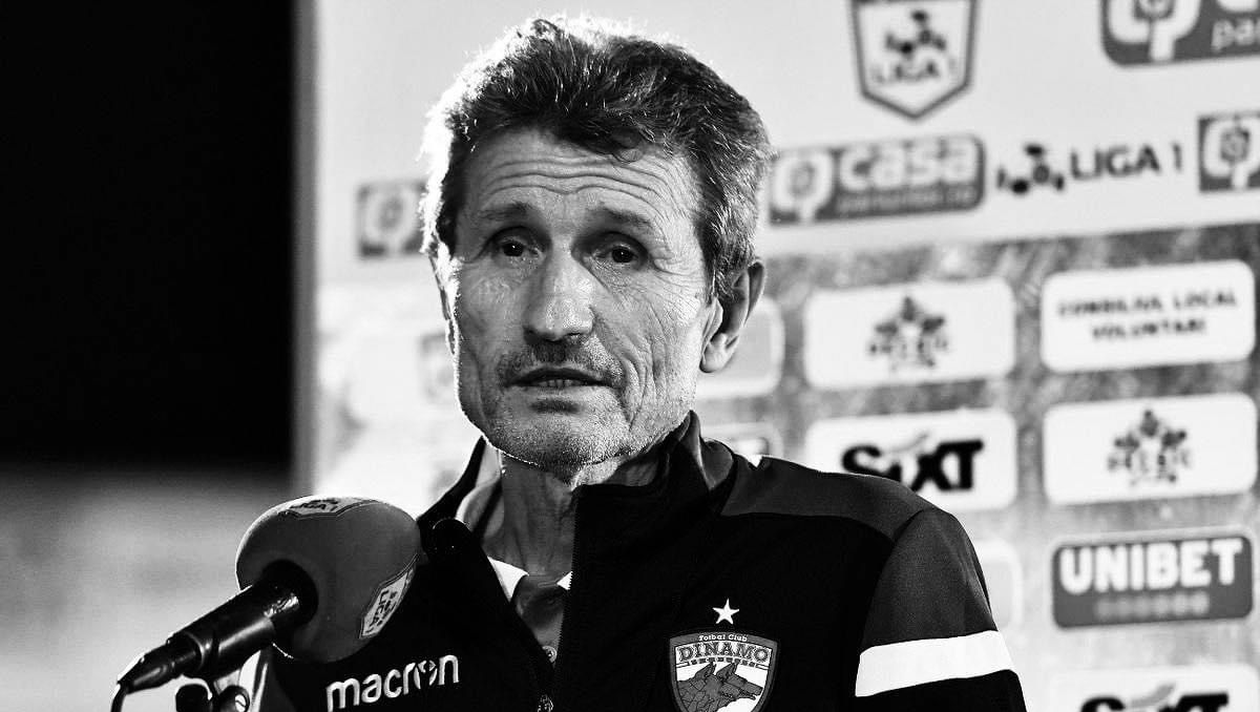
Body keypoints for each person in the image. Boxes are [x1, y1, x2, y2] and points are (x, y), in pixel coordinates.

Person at [254, 15, 1026, 712]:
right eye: (511, 247)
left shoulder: (871, 556)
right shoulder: (329, 620)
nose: (556, 316)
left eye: (621, 252)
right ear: (443, 288)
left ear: (724, 313)